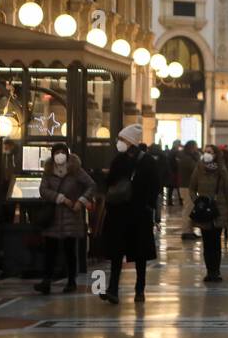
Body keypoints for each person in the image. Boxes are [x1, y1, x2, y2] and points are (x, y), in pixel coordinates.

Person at [102, 124, 160, 305]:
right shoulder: (120, 160)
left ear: (131, 142)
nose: (119, 143)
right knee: (117, 254)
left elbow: (155, 186)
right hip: (124, 213)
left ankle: (139, 289)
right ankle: (113, 289)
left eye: (123, 140)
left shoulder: (145, 161)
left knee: (139, 255)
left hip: (136, 214)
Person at [34, 143, 95, 294]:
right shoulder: (48, 171)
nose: (60, 155)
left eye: (62, 152)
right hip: (53, 216)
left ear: (67, 154)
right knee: (50, 251)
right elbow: (43, 190)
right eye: (57, 152)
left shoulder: (75, 170)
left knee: (69, 251)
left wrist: (81, 201)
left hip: (71, 216)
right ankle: (46, 281)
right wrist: (60, 198)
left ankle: (71, 281)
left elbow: (91, 185)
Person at [189, 143, 228, 282]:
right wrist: (197, 201)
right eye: (205, 151)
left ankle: (216, 271)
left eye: (210, 152)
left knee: (215, 242)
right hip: (204, 210)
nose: (207, 154)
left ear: (216, 155)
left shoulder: (222, 169)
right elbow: (191, 188)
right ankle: (210, 271)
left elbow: (227, 191)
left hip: (219, 209)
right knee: (207, 243)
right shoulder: (199, 167)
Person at [176, 141, 200, 238]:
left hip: (188, 186)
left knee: (190, 208)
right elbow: (196, 168)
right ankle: (186, 231)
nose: (197, 149)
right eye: (195, 147)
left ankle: (190, 230)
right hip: (187, 187)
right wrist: (197, 157)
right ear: (191, 148)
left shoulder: (186, 157)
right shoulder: (187, 159)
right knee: (188, 209)